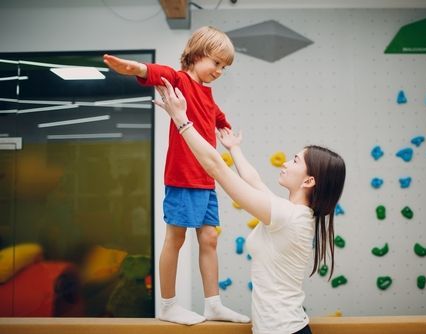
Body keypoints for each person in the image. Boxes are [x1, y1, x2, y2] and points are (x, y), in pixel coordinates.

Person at [154, 78, 346, 334]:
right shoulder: (290, 213)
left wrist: (182, 120)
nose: (286, 163)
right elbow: (253, 180)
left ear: (309, 180)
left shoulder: (288, 216)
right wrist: (234, 148)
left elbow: (215, 167)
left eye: (296, 160)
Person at [103, 26, 250, 325]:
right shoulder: (180, 80)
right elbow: (159, 73)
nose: (220, 71)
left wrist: (226, 130)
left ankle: (213, 304)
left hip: (206, 178)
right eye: (217, 63)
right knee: (176, 238)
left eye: (224, 67)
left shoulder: (207, 94)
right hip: (183, 177)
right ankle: (168, 304)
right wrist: (137, 68)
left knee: (209, 238)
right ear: (197, 55)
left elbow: (216, 115)